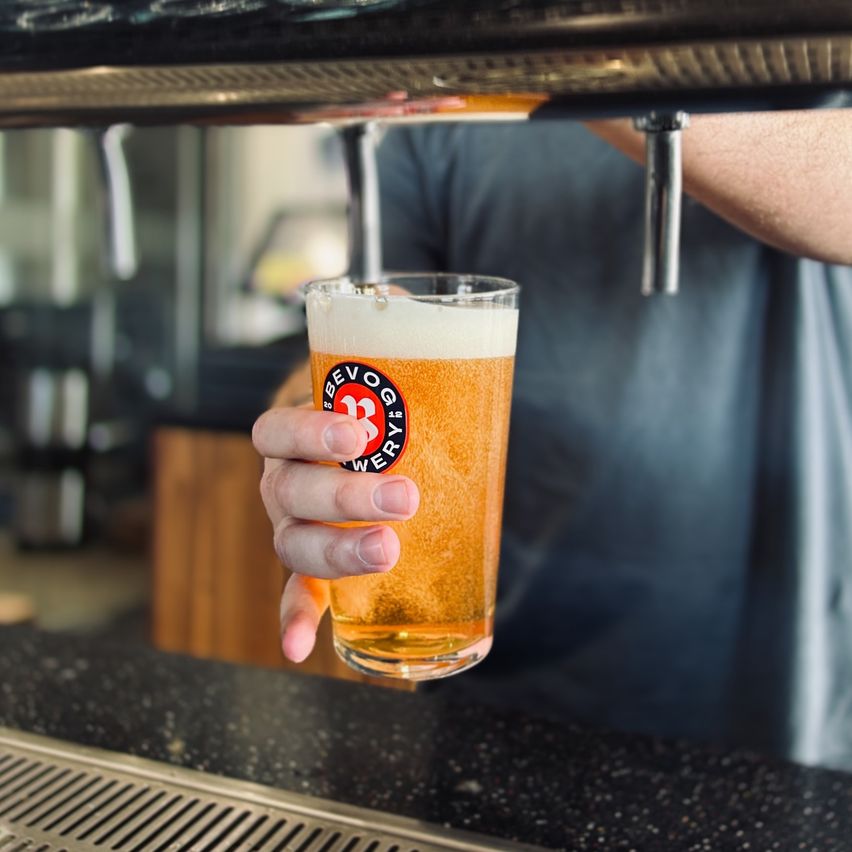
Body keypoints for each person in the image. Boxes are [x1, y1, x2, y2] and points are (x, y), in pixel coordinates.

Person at [252, 112, 852, 770]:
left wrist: (578, 67)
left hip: (773, 689)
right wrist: (312, 443)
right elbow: (371, 335)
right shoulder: (437, 123)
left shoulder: (803, 48)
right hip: (492, 678)